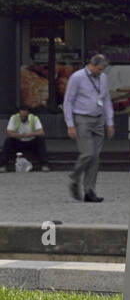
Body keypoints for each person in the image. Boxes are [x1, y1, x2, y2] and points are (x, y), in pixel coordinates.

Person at [63, 53, 113, 202]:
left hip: (99, 119)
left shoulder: (103, 78)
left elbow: (106, 100)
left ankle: (89, 190)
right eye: (99, 69)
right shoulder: (77, 77)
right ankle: (74, 176)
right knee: (88, 153)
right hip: (82, 119)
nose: (101, 72)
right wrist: (70, 124)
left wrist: (110, 122)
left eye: (103, 69)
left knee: (95, 158)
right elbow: (68, 101)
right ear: (92, 65)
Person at [2, 106, 51, 171]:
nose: (23, 117)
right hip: (18, 142)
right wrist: (20, 135)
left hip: (31, 142)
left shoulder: (34, 118)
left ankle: (45, 164)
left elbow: (41, 132)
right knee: (8, 140)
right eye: (21, 115)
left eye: (24, 116)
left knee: (40, 139)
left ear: (28, 114)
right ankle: (3, 165)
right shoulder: (14, 118)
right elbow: (9, 133)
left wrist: (30, 134)